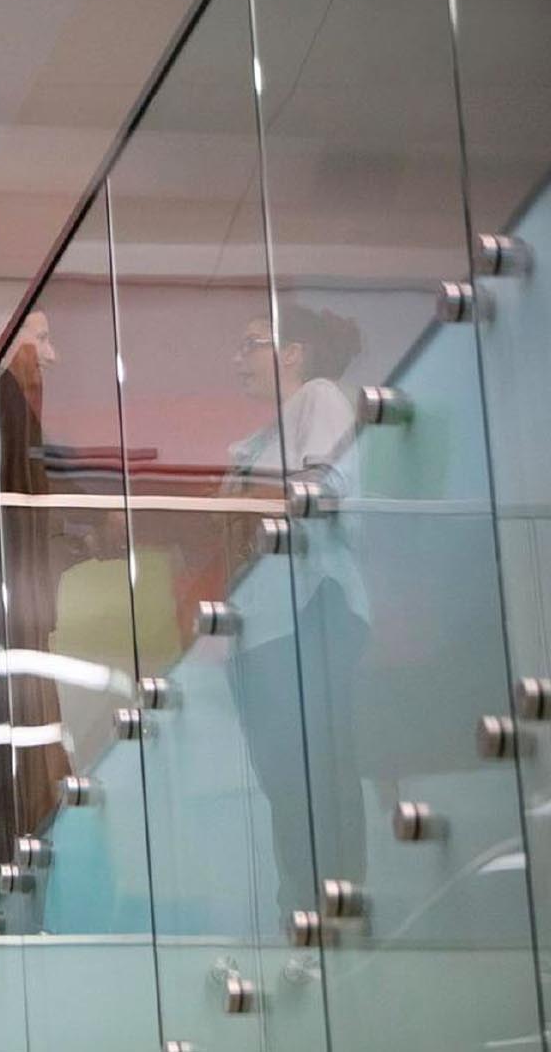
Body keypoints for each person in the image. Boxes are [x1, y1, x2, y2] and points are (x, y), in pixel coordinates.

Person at [223, 302, 370, 925]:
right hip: (260, 624)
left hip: (309, 604)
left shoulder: (319, 397)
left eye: (251, 343)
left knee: (320, 765)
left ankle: (335, 908)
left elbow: (321, 489)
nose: (238, 359)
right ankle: (302, 910)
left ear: (293, 352)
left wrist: (241, 498)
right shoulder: (258, 437)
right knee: (284, 781)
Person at [0, 310, 73, 905]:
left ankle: (12, 889)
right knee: (16, 761)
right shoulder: (5, 402)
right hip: (8, 616)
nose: (51, 356)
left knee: (16, 760)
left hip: (12, 614)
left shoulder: (6, 412)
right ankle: (14, 892)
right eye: (41, 339)